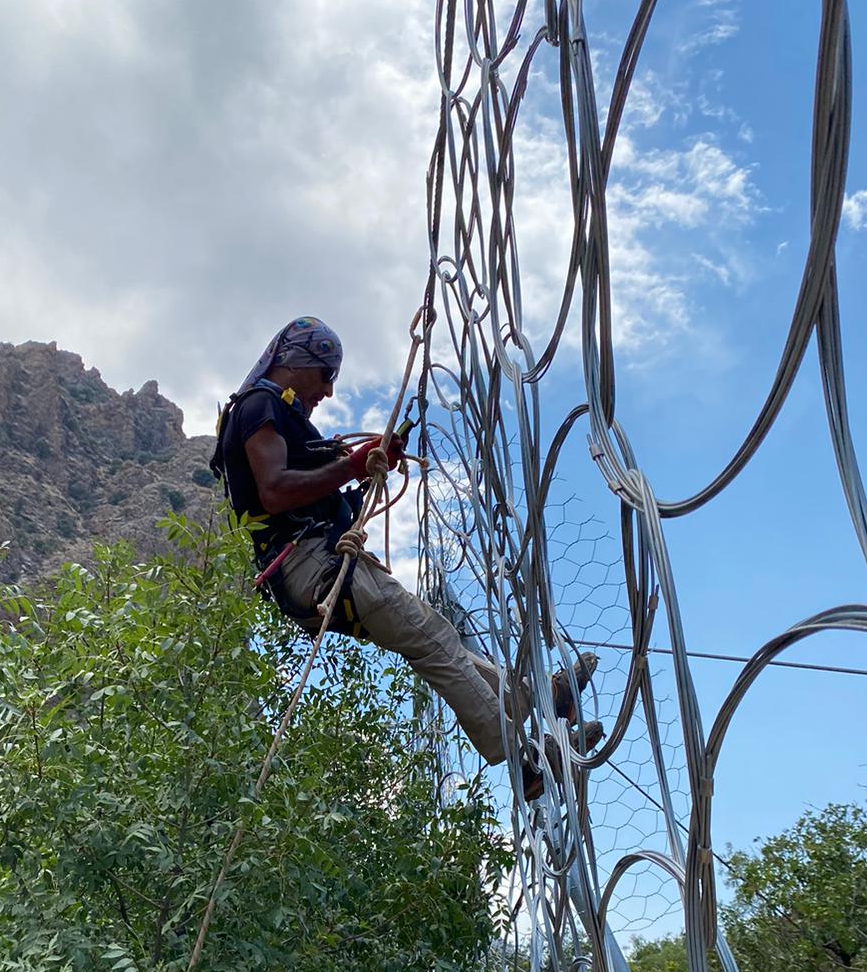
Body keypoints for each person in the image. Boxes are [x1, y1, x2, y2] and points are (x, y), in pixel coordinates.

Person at [210, 316, 601, 797]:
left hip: (315, 566)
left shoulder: (283, 421)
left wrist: (356, 474)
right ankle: (528, 763)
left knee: (437, 639)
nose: (328, 391)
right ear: (300, 360)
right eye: (326, 374)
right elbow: (273, 491)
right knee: (433, 640)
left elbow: (304, 489)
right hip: (312, 564)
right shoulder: (259, 405)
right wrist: (354, 464)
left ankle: (536, 699)